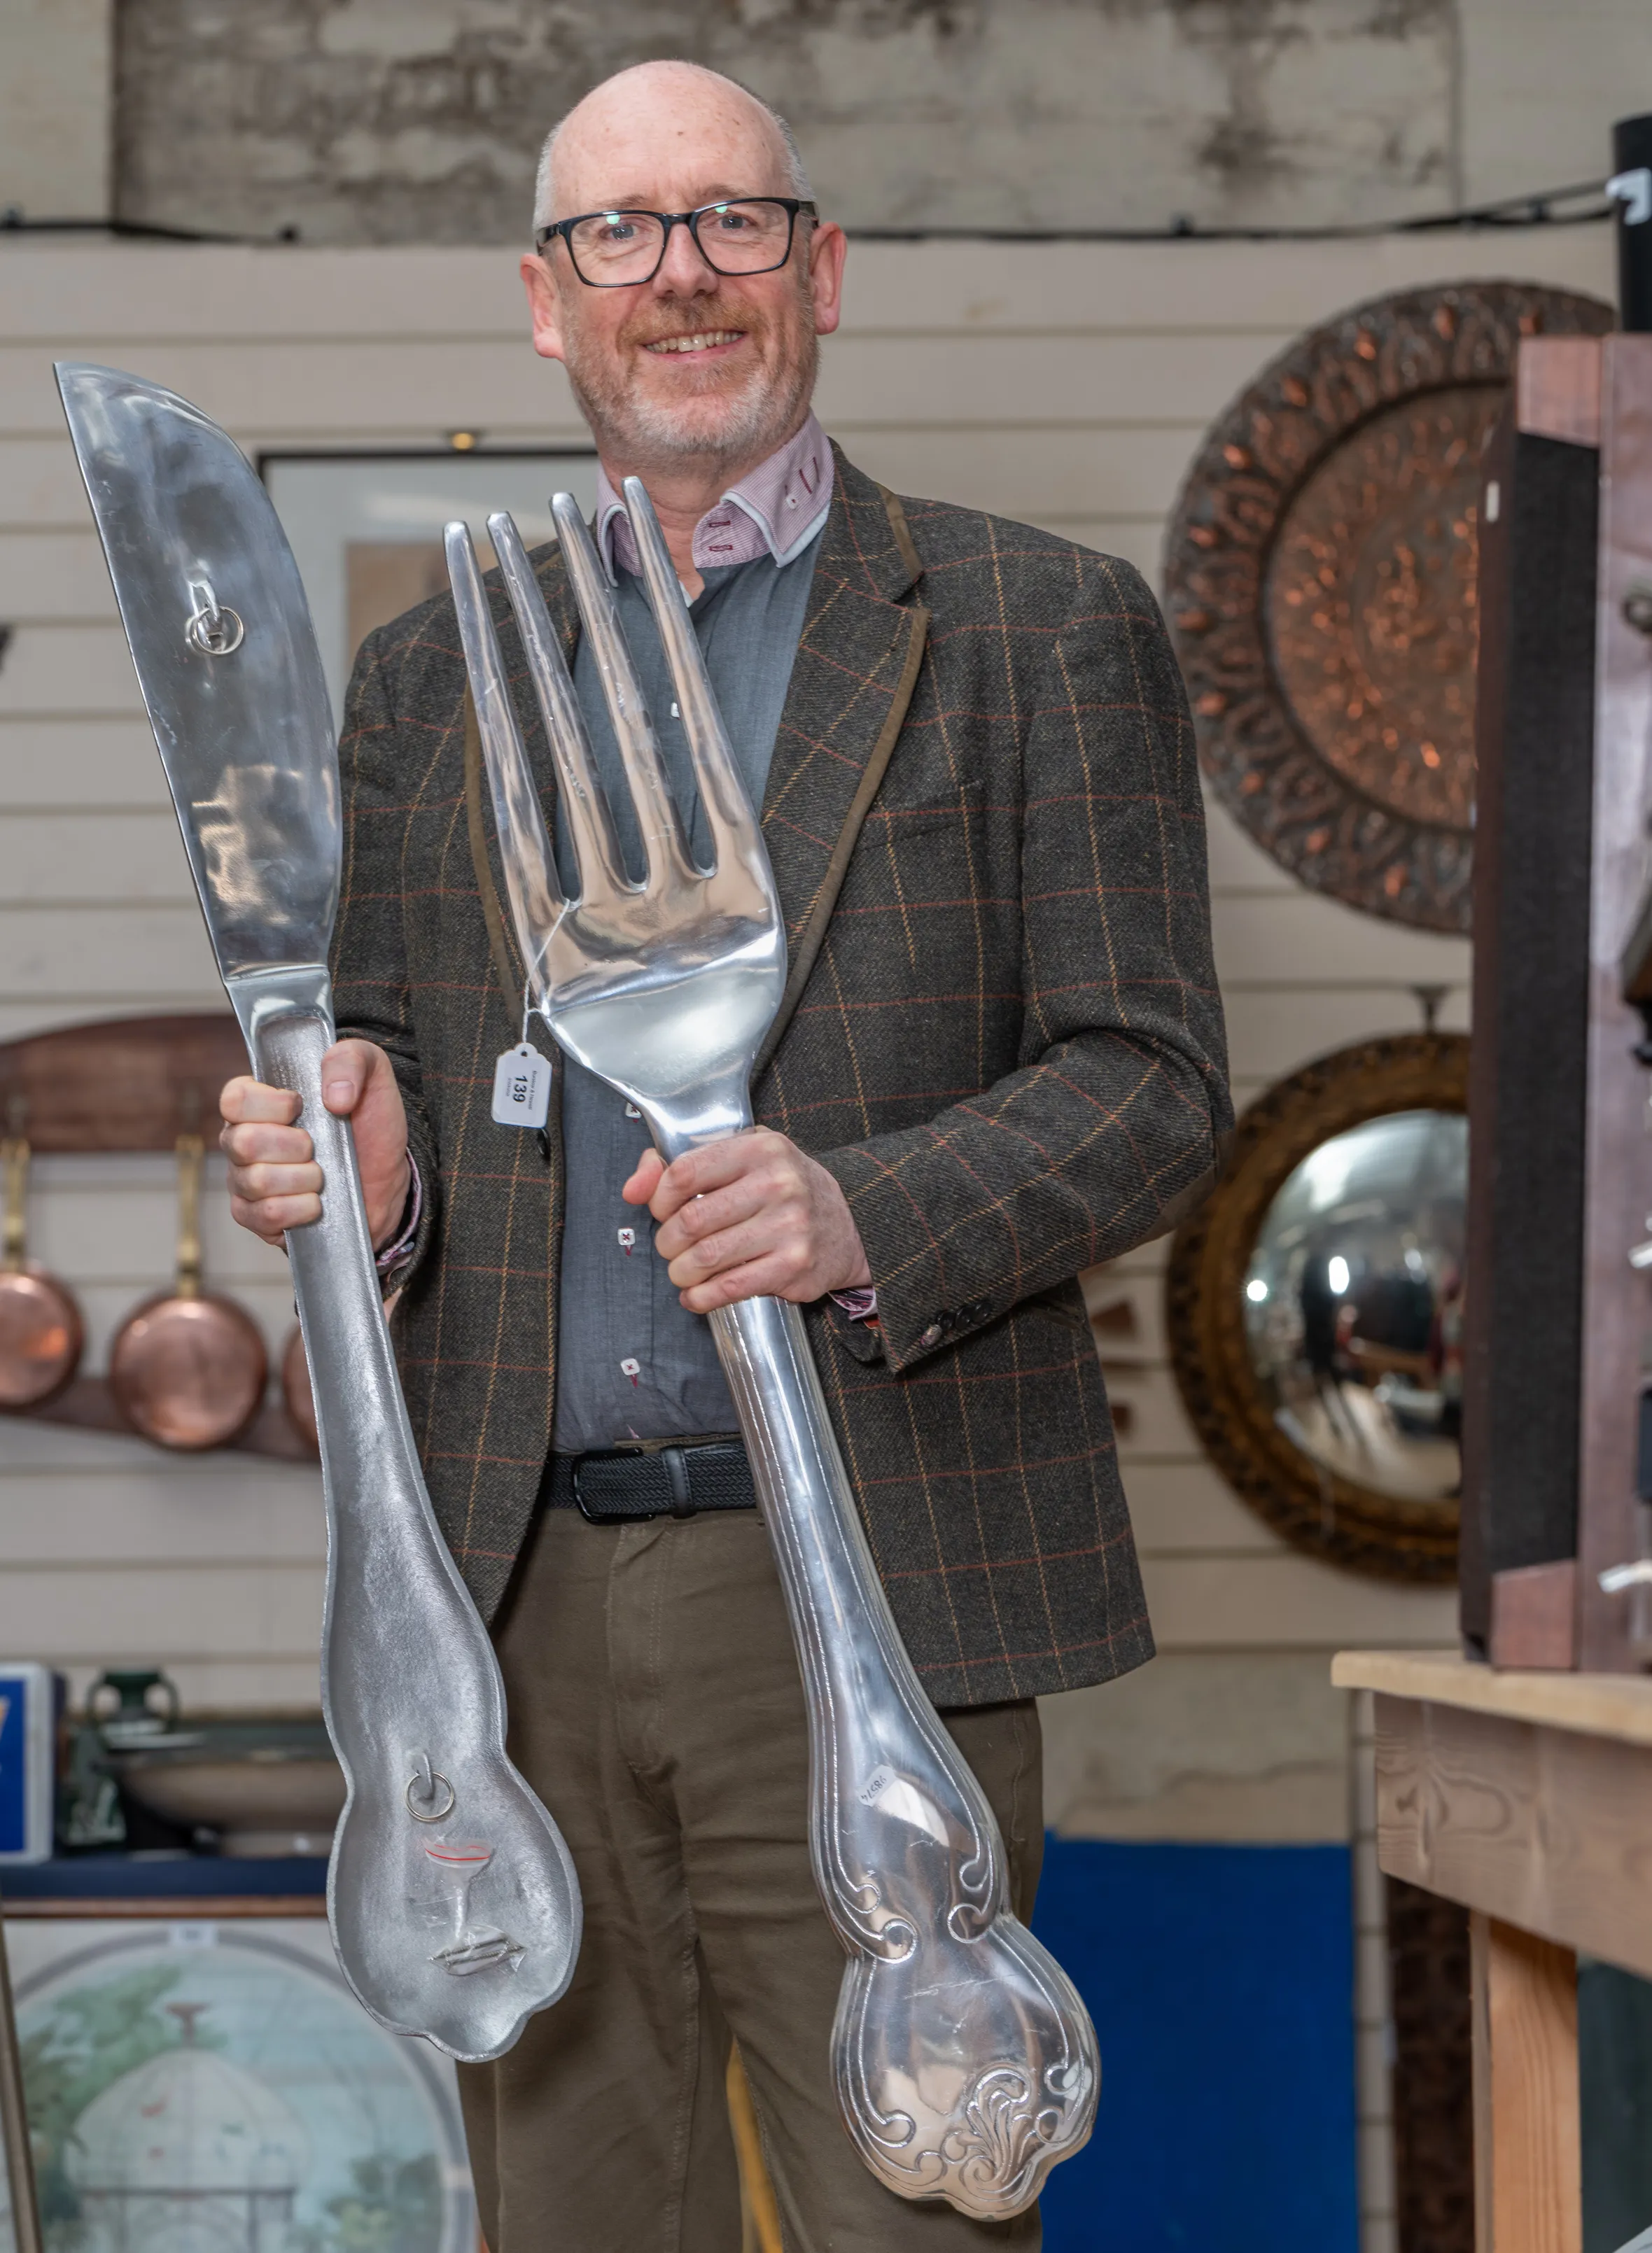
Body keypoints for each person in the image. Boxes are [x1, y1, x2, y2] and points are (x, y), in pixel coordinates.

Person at [221, 57, 1231, 2252]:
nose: (679, 276)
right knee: (578, 2224)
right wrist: (358, 1169)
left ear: (824, 272)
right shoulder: (431, 687)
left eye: (733, 223)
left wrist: (868, 1205)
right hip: (521, 1613)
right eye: (620, 234)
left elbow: (1149, 1080)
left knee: (918, 2211)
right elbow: (390, 1085)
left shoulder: (1039, 630)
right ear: (545, 303)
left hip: (878, 1580)